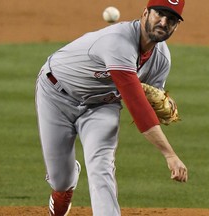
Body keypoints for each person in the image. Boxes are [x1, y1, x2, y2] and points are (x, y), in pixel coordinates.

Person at [35, 0, 188, 215]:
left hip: (101, 105)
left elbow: (152, 103)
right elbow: (138, 109)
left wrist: (164, 105)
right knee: (60, 179)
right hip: (56, 95)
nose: (163, 22)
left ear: (176, 26)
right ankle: (64, 186)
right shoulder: (117, 42)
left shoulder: (161, 59)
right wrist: (169, 154)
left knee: (101, 166)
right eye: (159, 14)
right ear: (145, 13)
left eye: (171, 19)